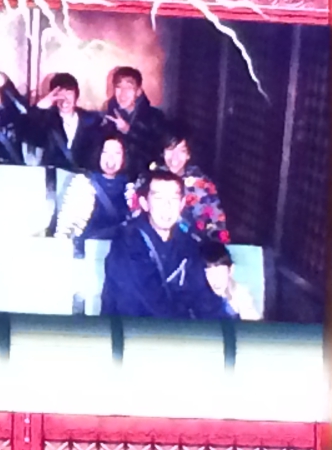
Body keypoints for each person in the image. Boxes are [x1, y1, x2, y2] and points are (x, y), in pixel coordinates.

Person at [100, 170, 229, 319]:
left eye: (173, 199)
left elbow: (204, 299)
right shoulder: (126, 242)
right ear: (145, 203)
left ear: (182, 204)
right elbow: (139, 304)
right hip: (132, 329)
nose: (167, 206)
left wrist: (228, 326)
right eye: (159, 198)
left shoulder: (188, 244)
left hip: (174, 330)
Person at [142, 122, 229, 243]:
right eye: (170, 149)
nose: (175, 157)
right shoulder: (149, 178)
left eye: (182, 151)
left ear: (189, 154)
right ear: (162, 152)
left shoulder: (201, 185)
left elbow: (217, 225)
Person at [55, 133, 134, 242]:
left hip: (119, 248)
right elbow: (66, 223)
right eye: (105, 152)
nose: (110, 157)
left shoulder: (130, 188)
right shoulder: (83, 183)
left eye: (117, 153)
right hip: (88, 247)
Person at [100, 66, 166, 180]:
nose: (123, 93)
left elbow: (158, 150)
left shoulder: (155, 117)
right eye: (118, 87)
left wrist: (129, 131)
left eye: (129, 88)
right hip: (115, 180)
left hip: (144, 178)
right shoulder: (106, 117)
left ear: (138, 91)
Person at [31, 72, 103, 172]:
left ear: (76, 95)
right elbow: (27, 134)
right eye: (59, 94)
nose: (64, 99)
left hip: (84, 178)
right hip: (54, 176)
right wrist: (40, 107)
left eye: (68, 93)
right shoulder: (46, 120)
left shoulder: (92, 121)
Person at [200, 240, 262, 320]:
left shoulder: (244, 299)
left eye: (219, 273)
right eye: (209, 273)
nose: (215, 280)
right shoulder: (205, 299)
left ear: (231, 270)